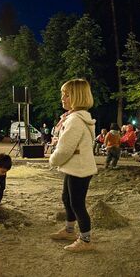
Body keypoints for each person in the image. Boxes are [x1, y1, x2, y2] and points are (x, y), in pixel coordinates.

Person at [47, 78, 98, 252]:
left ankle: (86, 240)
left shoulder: (74, 120)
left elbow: (65, 149)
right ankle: (70, 230)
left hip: (79, 169)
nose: (62, 98)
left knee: (77, 203)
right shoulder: (74, 117)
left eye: (66, 95)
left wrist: (52, 159)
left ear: (77, 97)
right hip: (75, 167)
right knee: (67, 198)